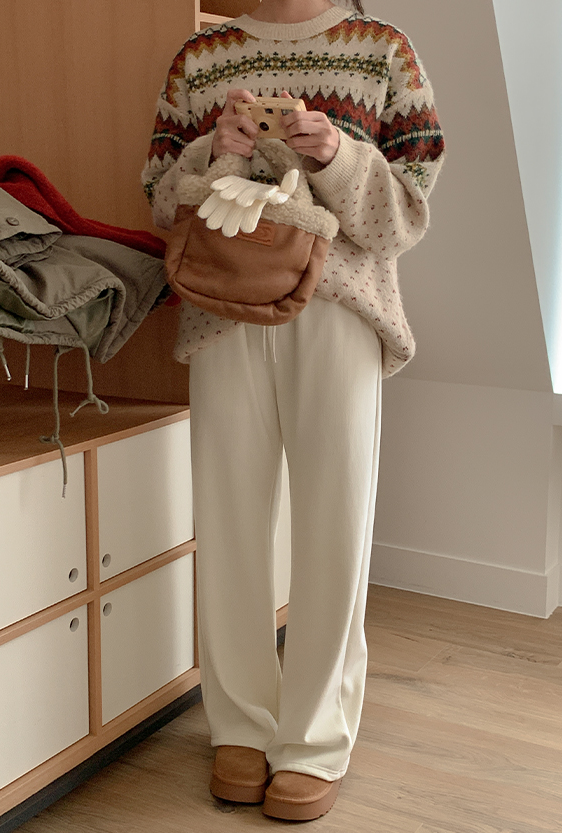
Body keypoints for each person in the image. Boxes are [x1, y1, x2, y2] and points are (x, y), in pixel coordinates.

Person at [142, 0, 445, 821]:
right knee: (228, 522)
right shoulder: (201, 58)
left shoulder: (383, 51)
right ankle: (239, 725)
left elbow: (405, 215)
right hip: (221, 309)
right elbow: (161, 198)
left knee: (334, 525)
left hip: (340, 310)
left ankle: (314, 738)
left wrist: (339, 155)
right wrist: (215, 151)